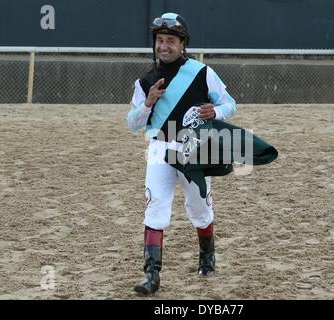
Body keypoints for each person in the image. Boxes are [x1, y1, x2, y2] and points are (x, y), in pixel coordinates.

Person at [126, 12, 237, 295]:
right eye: (160, 40)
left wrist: (217, 111)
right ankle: (152, 275)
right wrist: (147, 104)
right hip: (159, 148)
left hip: (194, 149)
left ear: (182, 44)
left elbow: (230, 104)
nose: (164, 46)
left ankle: (207, 256)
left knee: (199, 209)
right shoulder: (144, 82)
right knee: (155, 207)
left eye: (170, 41)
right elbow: (132, 124)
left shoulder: (202, 72)